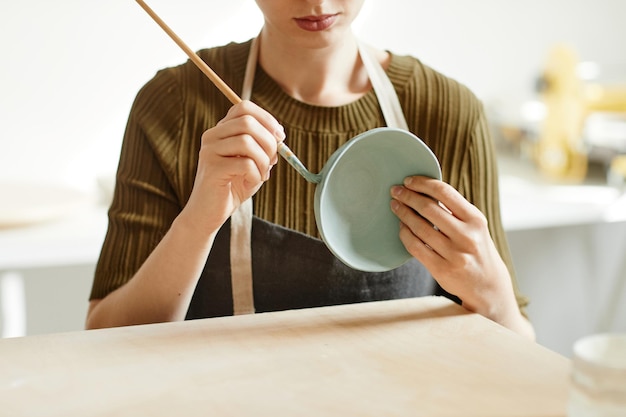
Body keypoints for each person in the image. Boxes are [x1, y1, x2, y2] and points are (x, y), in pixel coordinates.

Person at [86, 0, 535, 339]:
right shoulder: (176, 104)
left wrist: (493, 293)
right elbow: (104, 337)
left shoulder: (449, 113)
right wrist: (200, 219)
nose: (316, 2)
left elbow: (517, 346)